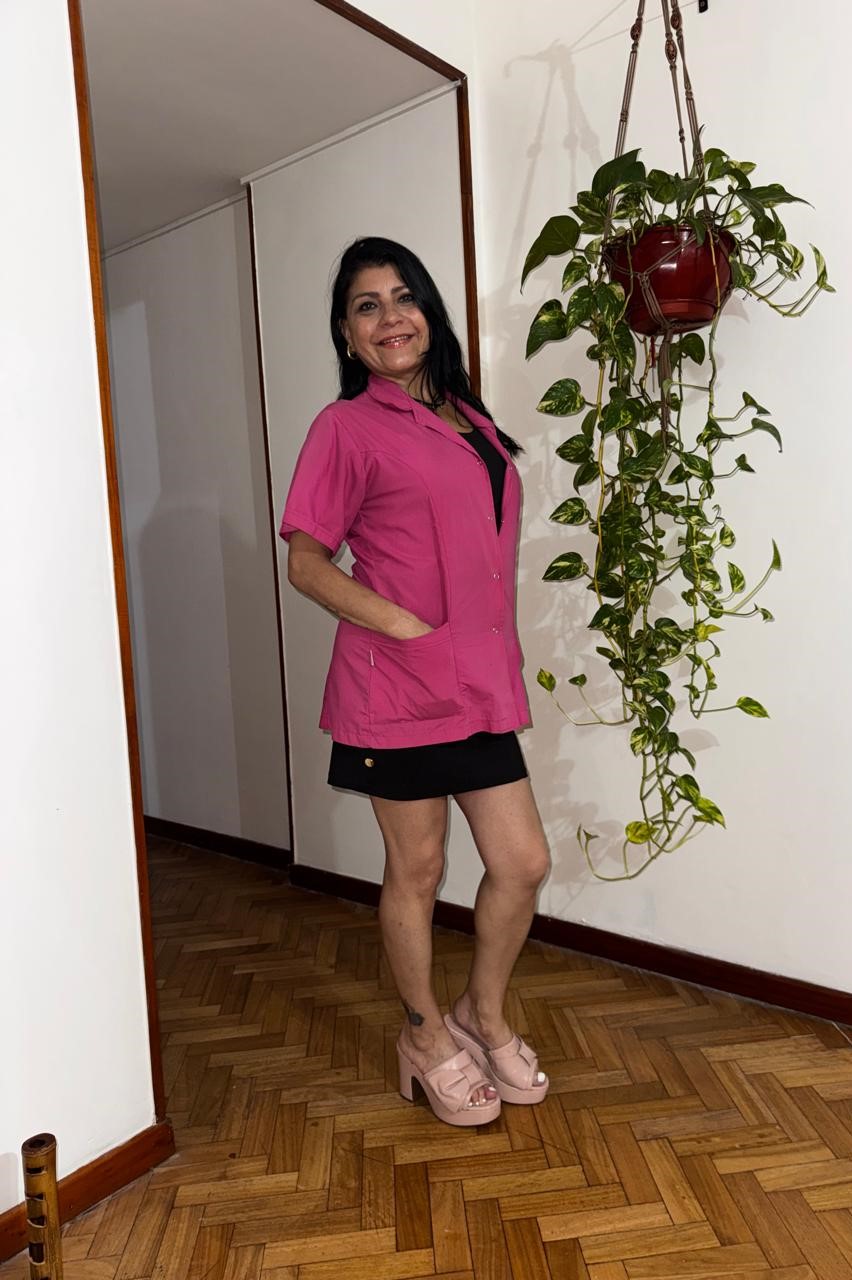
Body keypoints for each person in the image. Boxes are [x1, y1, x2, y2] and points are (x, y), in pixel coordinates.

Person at [280, 236, 551, 1127]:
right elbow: (307, 562)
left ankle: (482, 1012)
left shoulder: (470, 419)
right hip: (395, 688)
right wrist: (404, 629)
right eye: (367, 305)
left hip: (476, 685)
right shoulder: (345, 427)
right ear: (347, 334)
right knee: (419, 868)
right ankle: (425, 1036)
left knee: (522, 863)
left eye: (403, 298)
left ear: (429, 313)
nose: (389, 317)